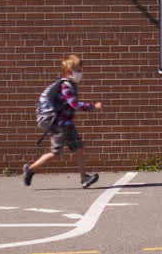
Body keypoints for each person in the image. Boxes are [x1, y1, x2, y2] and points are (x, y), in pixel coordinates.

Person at [23, 54, 103, 188]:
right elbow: (74, 104)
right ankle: (30, 169)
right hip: (58, 124)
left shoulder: (70, 85)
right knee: (56, 153)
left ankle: (84, 178)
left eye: (81, 70)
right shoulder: (65, 86)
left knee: (79, 147)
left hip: (66, 123)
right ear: (69, 72)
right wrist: (92, 107)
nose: (80, 73)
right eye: (77, 70)